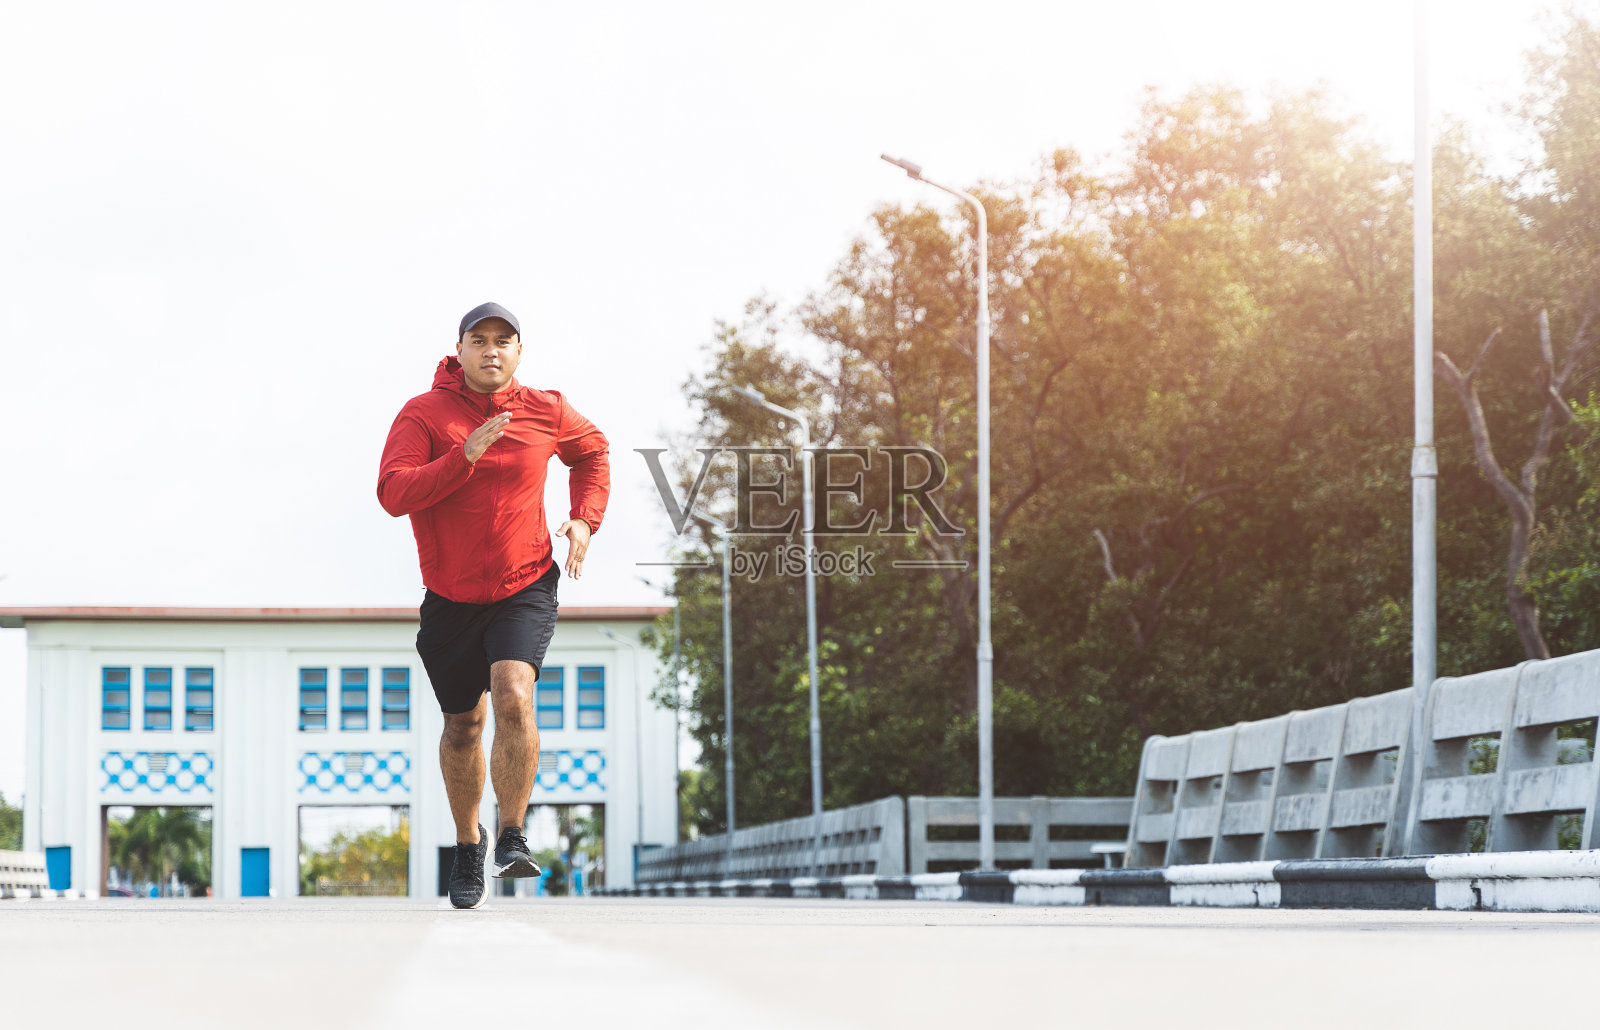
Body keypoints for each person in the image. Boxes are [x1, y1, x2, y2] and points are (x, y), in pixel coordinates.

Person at [377, 301, 610, 909]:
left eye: (503, 341)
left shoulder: (547, 408)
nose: (491, 350)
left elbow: (593, 452)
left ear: (519, 351)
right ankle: (467, 845)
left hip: (525, 583)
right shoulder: (423, 414)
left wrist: (585, 518)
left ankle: (511, 834)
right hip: (450, 598)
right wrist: (463, 458)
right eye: (478, 340)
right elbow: (393, 492)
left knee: (513, 693)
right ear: (459, 350)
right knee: (463, 726)